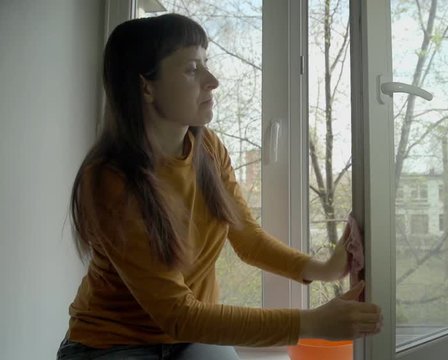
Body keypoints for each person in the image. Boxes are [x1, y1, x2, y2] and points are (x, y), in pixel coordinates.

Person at [56, 13, 382, 360]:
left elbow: (248, 239)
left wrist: (325, 268)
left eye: (206, 64)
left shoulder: (208, 148)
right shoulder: (110, 180)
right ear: (146, 86)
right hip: (111, 344)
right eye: (192, 69)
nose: (212, 81)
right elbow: (178, 314)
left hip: (189, 337)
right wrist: (311, 323)